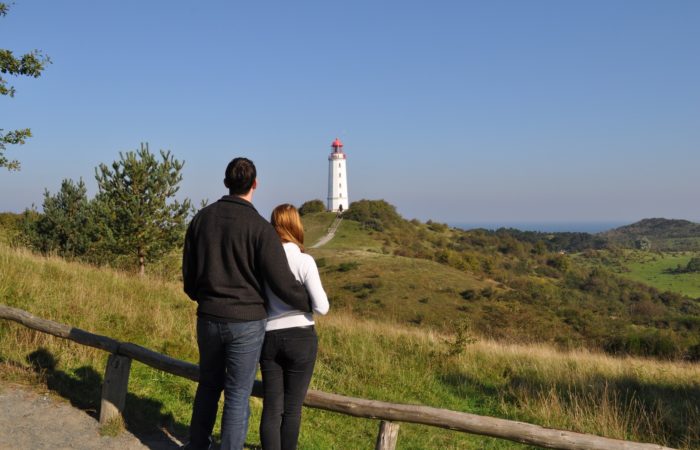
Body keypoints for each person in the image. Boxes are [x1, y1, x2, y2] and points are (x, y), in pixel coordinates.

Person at [182, 158, 311, 450]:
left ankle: (198, 444)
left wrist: (203, 297)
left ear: (226, 181)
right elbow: (282, 282)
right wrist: (308, 301)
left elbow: (189, 276)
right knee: (238, 394)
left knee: (208, 385)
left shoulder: (201, 219)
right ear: (255, 184)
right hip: (247, 323)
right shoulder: (260, 228)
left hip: (208, 316)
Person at [259, 204, 330, 450]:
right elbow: (322, 307)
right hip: (300, 337)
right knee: (291, 410)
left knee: (271, 409)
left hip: (268, 336)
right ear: (296, 226)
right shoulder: (304, 261)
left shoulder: (263, 261)